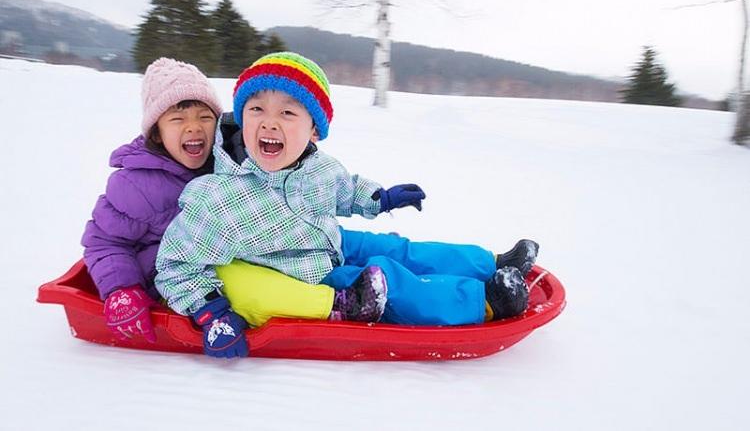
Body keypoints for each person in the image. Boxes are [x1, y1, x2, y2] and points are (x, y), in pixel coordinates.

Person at [155, 52, 539, 359]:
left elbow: (344, 190)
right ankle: (482, 302)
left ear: (313, 130)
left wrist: (380, 198)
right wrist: (211, 312)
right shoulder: (216, 197)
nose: (269, 124)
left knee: (397, 248)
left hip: (332, 240)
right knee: (388, 278)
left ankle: (490, 262)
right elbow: (174, 265)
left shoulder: (314, 164)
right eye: (256, 110)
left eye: (287, 113)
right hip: (304, 271)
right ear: (241, 117)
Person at [81, 57, 380, 346]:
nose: (194, 128)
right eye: (177, 119)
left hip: (224, 253)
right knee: (241, 281)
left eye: (204, 117)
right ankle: (333, 305)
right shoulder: (134, 184)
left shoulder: (221, 161)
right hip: (176, 281)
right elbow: (104, 242)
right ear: (157, 133)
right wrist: (122, 289)